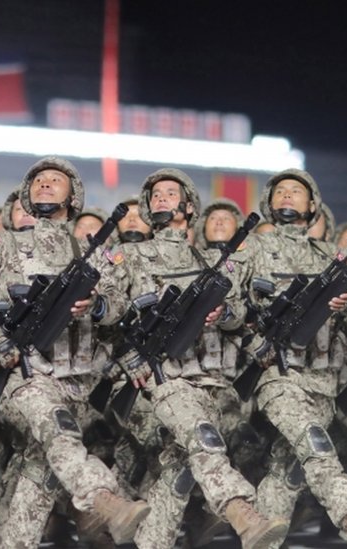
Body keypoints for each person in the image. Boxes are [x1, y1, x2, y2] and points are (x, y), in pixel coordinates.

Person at [0, 157, 149, 548]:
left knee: (44, 466)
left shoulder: (92, 250)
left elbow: (120, 303)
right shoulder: (5, 244)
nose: (45, 184)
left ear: (73, 196)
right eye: (38, 180)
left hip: (78, 380)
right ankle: (105, 500)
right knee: (59, 433)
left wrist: (97, 305)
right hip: (23, 374)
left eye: (55, 180)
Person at [120, 169, 287, 549]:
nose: (161, 198)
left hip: (213, 379)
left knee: (181, 469)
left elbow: (240, 314)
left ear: (189, 206)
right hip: (166, 378)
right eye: (155, 194)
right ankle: (244, 514)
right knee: (204, 441)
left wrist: (222, 314)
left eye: (170, 193)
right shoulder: (130, 256)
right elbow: (111, 312)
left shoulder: (212, 261)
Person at [240, 169, 347, 549]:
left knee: (287, 468)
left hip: (323, 380)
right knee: (318, 451)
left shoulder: (332, 254)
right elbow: (229, 309)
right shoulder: (254, 250)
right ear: (269, 201)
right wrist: (255, 345)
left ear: (312, 205)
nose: (287, 196)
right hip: (278, 375)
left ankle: (261, 540)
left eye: (296, 192)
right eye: (280, 191)